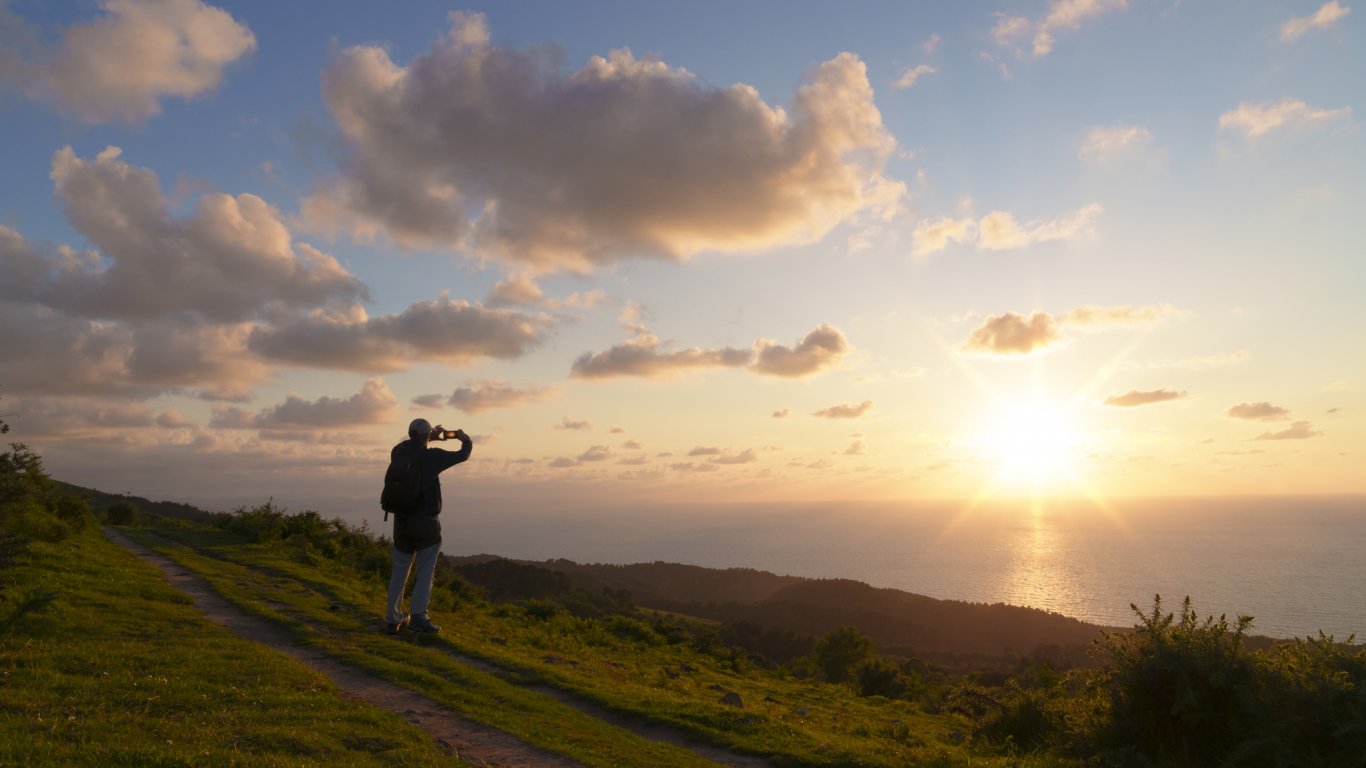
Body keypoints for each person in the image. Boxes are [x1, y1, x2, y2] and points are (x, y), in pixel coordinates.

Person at [384, 417, 472, 634]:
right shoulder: (432, 457)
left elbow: (414, 448)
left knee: (399, 571)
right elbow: (463, 454)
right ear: (426, 435)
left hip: (401, 522)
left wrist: (429, 437)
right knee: (425, 571)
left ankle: (392, 617)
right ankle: (419, 617)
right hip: (425, 523)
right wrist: (464, 438)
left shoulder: (398, 451)